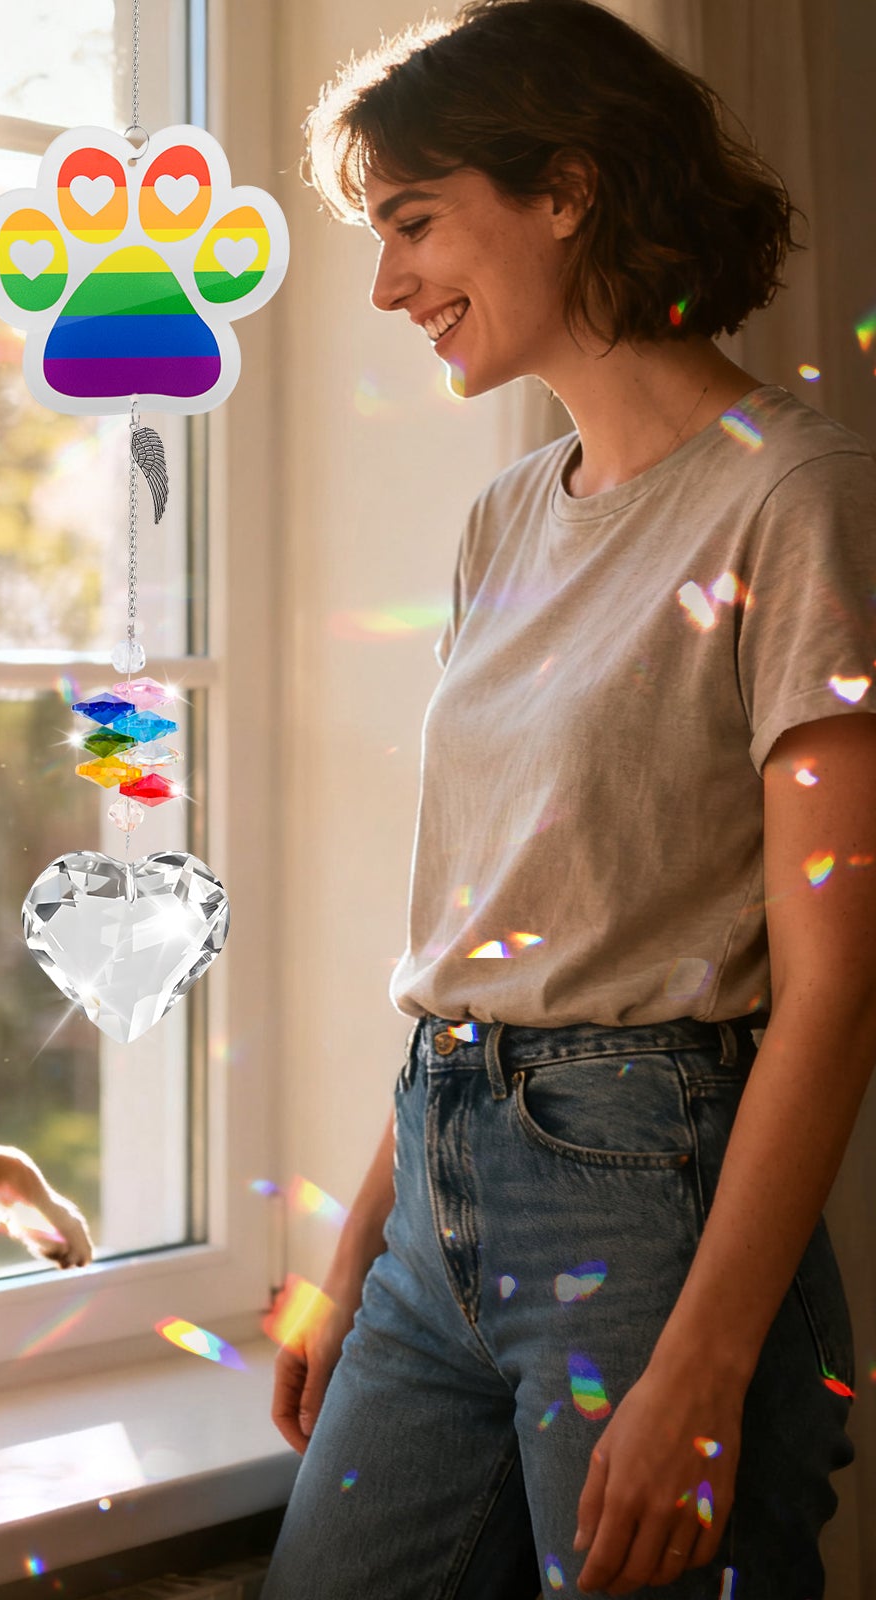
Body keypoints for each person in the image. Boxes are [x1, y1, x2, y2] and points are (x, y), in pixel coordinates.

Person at [262, 2, 876, 1595]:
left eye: (412, 223)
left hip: (648, 1210)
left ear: (568, 189)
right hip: (435, 1188)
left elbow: (836, 984)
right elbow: (484, 932)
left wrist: (706, 1363)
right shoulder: (500, 523)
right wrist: (359, 1258)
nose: (388, 284)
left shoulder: (795, 503)